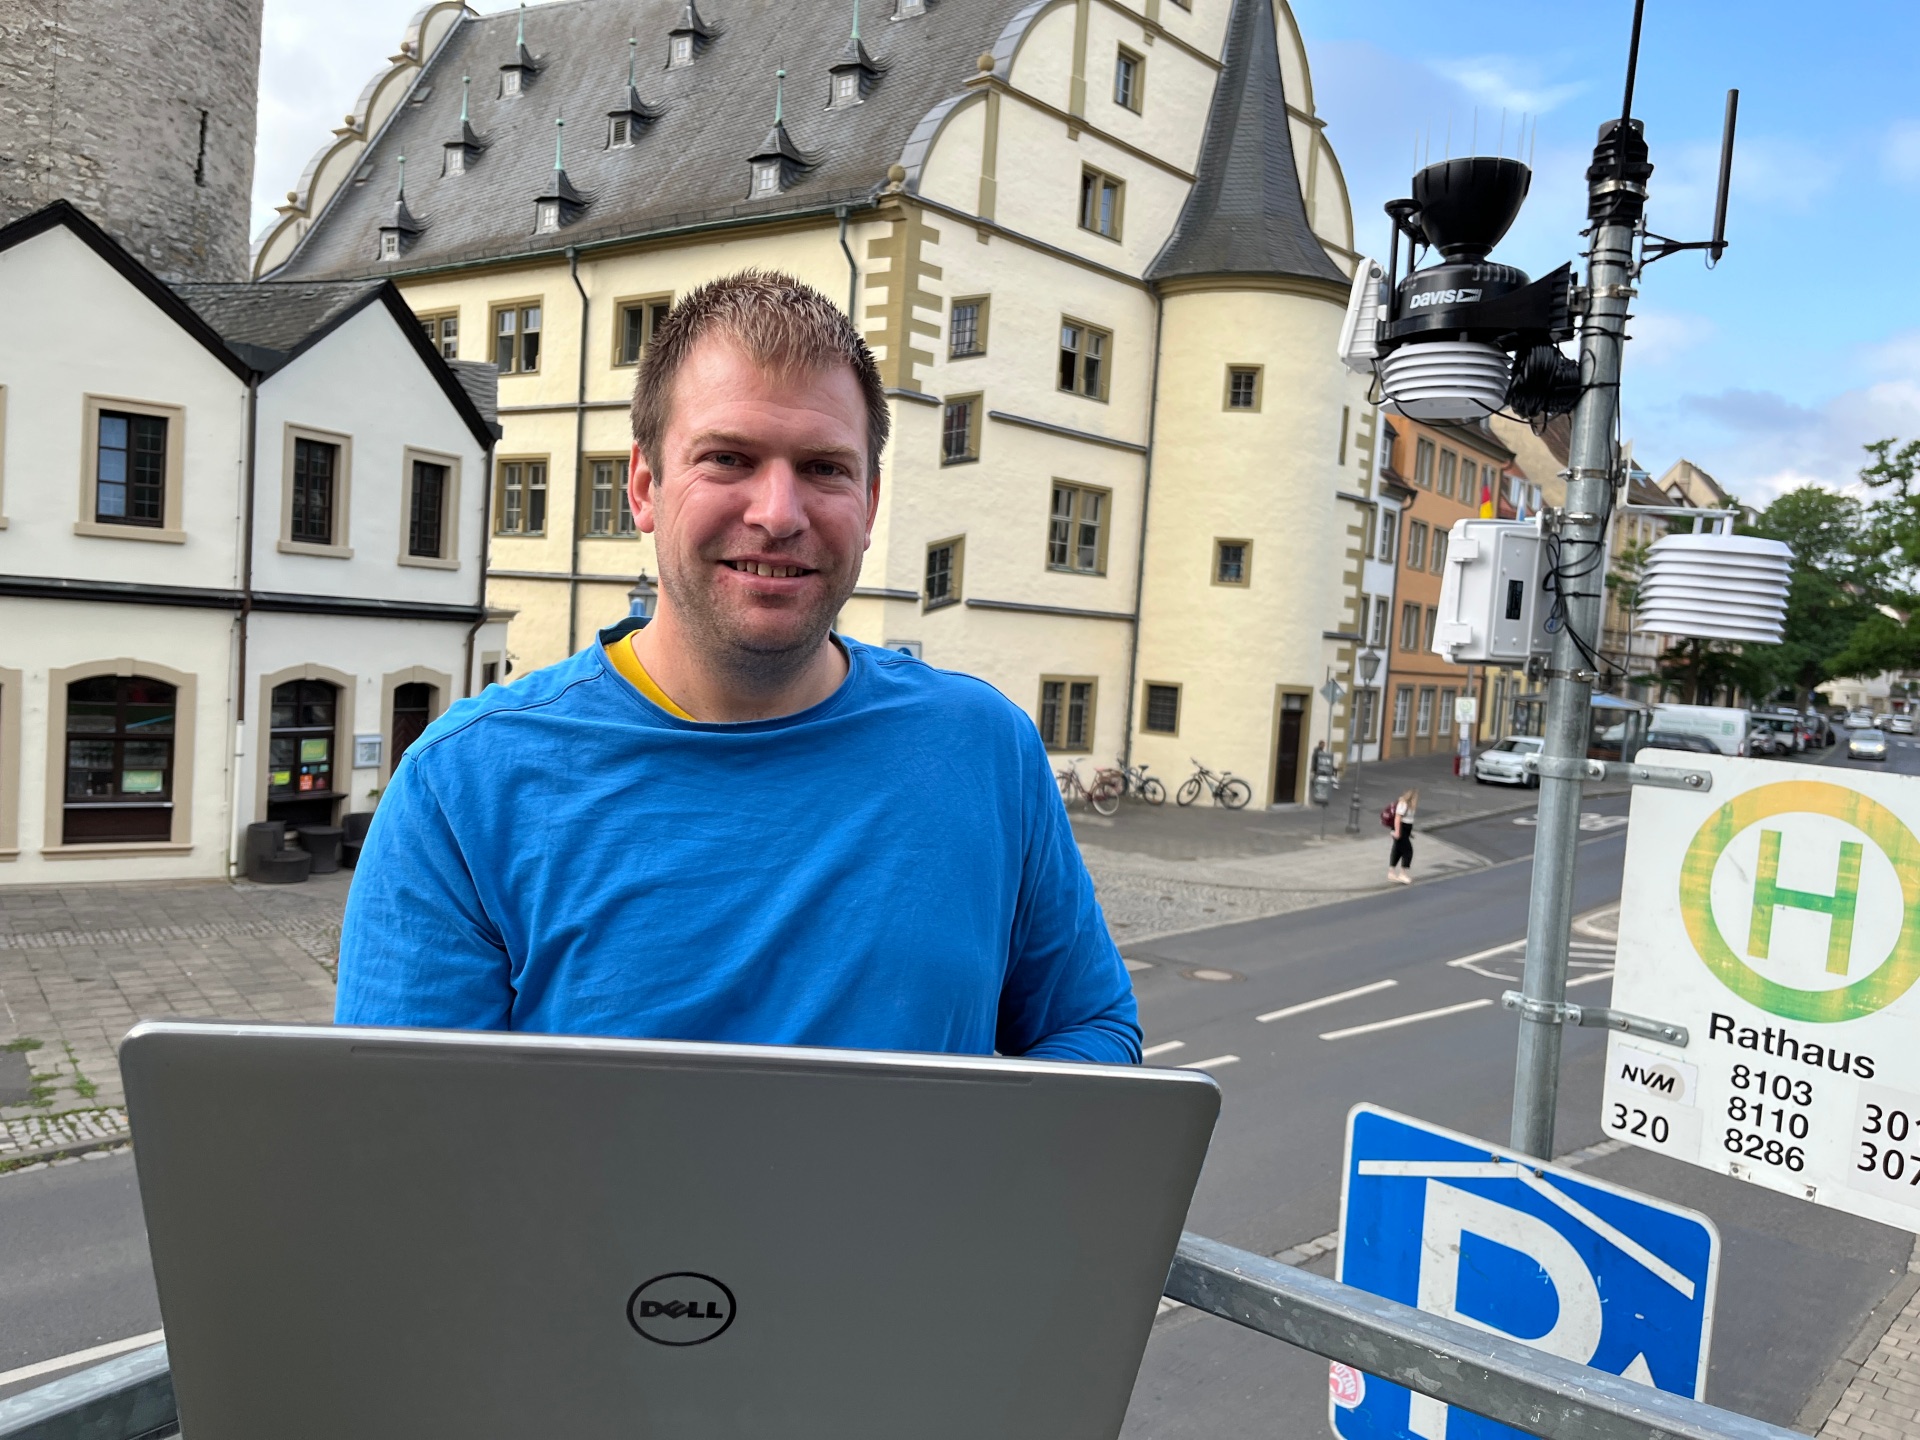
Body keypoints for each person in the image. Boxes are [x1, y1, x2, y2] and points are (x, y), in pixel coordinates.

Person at [334, 271, 1140, 1064]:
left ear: (869, 503)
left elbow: (1092, 1023)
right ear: (643, 487)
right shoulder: (464, 789)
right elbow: (407, 1147)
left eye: (825, 468)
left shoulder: (984, 747)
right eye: (727, 458)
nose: (778, 514)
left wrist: (978, 1178)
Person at [1387, 787, 1417, 884]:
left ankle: (1391, 873)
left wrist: (1410, 833)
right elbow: (1397, 818)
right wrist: (1397, 832)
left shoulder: (1410, 805)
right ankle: (1402, 874)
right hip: (1401, 829)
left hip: (1406, 830)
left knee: (1398, 850)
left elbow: (1409, 820)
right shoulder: (1403, 804)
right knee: (1408, 851)